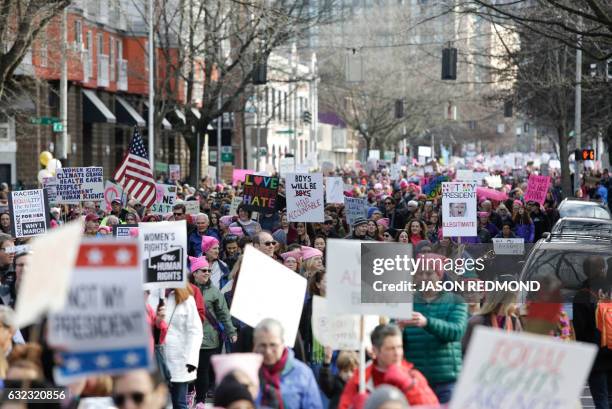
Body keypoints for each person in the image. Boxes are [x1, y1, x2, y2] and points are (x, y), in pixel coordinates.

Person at [400, 257, 468, 404]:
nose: (424, 277)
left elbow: (456, 332)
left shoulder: (456, 301)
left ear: (439, 275)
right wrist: (398, 328)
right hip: (415, 380)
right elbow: (394, 339)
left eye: (429, 273)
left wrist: (427, 322)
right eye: (420, 273)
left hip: (447, 380)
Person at [339, 324, 438, 408]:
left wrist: (409, 386)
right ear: (375, 350)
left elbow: (433, 406)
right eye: (390, 348)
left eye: (399, 347)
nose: (397, 353)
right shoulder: (360, 380)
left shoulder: (413, 376)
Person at [190, 256, 237, 406]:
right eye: (203, 270)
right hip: (189, 338)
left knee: (203, 370)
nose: (207, 273)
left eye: (209, 271)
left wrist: (231, 332)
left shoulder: (215, 292)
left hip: (208, 338)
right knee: (190, 369)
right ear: (194, 273)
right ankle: (190, 392)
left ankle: (200, 400)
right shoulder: (185, 290)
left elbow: (224, 313)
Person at [253, 318, 323, 409]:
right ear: (255, 345)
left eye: (273, 345)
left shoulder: (302, 373)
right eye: (262, 345)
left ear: (283, 344)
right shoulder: (246, 372)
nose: (268, 351)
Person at [573, 256, 612, 409]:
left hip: (595, 356)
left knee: (601, 398)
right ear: (603, 269)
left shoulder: (582, 295)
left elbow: (580, 329)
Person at [163, 285, 203, 409]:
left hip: (179, 360)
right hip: (156, 358)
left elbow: (195, 331)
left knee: (179, 402)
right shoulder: (151, 296)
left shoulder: (187, 299)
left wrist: (192, 359)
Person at [461, 285, 522, 354]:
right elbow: (464, 350)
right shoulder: (477, 321)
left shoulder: (515, 322)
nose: (516, 305)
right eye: (513, 301)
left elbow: (519, 349)